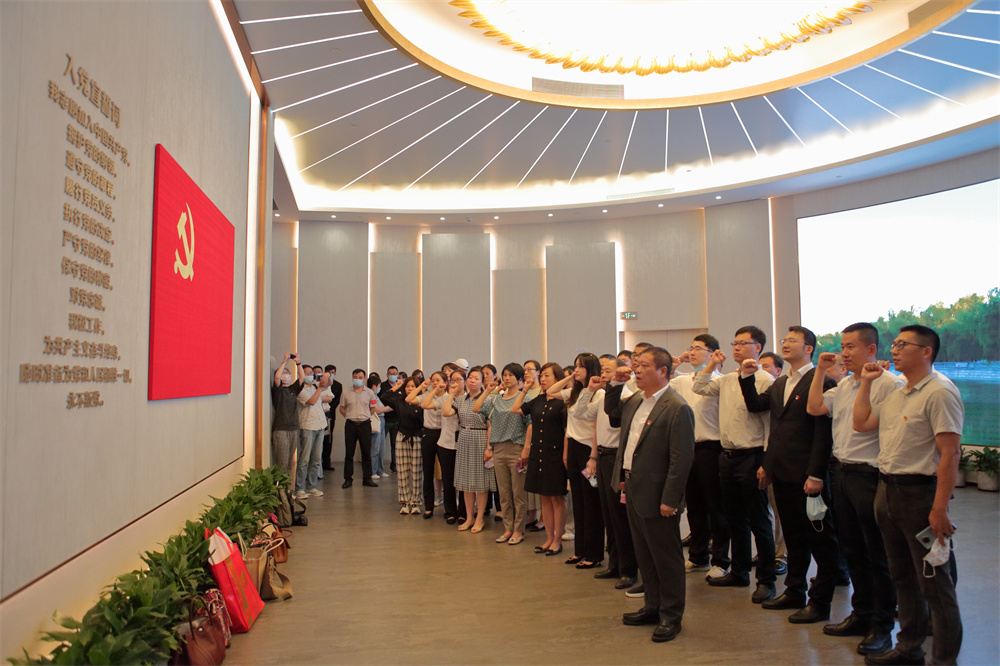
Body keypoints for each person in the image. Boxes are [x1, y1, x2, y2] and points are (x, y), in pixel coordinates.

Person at [853, 324, 964, 666]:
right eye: (895, 344)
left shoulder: (940, 392)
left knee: (935, 584)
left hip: (919, 495)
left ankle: (943, 660)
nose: (895, 349)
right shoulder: (898, 393)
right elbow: (861, 423)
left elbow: (950, 454)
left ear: (926, 351)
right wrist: (867, 382)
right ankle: (909, 648)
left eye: (903, 344)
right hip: (888, 491)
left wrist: (939, 508)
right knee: (902, 576)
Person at [806, 322, 902, 655]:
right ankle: (861, 615)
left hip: (870, 475)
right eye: (842, 346)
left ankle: (882, 626)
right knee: (853, 551)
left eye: (850, 347)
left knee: (878, 555)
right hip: (842, 473)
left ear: (871, 349)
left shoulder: (889, 384)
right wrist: (820, 371)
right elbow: (814, 407)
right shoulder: (845, 384)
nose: (843, 353)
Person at [738, 326, 839, 623]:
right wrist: (746, 377)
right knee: (794, 537)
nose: (785, 344)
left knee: (820, 540)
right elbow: (764, 414)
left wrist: (816, 473)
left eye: (793, 340)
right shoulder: (781, 382)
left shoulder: (822, 380)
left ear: (809, 348)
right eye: (784, 340)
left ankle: (820, 602)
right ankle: (795, 591)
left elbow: (823, 433)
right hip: (782, 472)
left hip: (808, 475)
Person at [605, 347, 694, 643]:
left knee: (666, 557)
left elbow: (681, 460)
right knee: (645, 554)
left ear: (663, 371)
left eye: (643, 365)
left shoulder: (676, 407)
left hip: (659, 494)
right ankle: (652, 606)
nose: (636, 370)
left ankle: (671, 615)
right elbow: (615, 418)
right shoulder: (635, 401)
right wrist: (615, 383)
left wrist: (670, 499)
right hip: (633, 487)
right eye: (636, 365)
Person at [692, 325, 777, 605]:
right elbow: (699, 386)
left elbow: (769, 425)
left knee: (759, 521)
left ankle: (766, 580)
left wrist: (766, 463)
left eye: (743, 343)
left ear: (758, 348)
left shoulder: (765, 379)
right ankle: (739, 572)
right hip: (727, 456)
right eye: (735, 343)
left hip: (752, 456)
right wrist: (712, 363)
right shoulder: (728, 379)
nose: (737, 347)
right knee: (735, 519)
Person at [670, 335, 731, 581]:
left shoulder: (721, 381)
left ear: (713, 353)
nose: (692, 352)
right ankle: (698, 556)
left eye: (698, 348)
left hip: (712, 448)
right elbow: (662, 387)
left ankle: (721, 560)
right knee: (694, 506)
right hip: (688, 448)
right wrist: (675, 363)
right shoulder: (682, 380)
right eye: (691, 348)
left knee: (716, 507)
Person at [578, 355, 638, 590]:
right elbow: (581, 414)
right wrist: (589, 390)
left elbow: (617, 425)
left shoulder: (627, 395)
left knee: (620, 517)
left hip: (617, 458)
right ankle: (614, 564)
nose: (603, 374)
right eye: (602, 370)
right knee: (609, 516)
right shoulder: (602, 395)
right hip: (602, 456)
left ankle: (628, 569)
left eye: (608, 370)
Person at [548, 353, 604, 569]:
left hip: (588, 449)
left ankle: (594, 554)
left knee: (591, 504)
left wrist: (593, 456)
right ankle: (580, 551)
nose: (577, 369)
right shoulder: (574, 391)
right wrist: (570, 377)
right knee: (578, 502)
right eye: (575, 366)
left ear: (592, 369)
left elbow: (591, 422)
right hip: (572, 447)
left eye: (581, 366)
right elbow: (550, 391)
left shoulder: (598, 393)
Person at [513, 363, 567, 556]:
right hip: (539, 453)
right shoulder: (538, 399)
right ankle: (549, 538)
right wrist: (524, 389)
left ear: (557, 378)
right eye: (541, 375)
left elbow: (567, 432)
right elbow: (516, 408)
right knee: (544, 498)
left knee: (557, 498)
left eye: (547, 376)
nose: (543, 379)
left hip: (556, 455)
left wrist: (565, 455)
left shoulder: (563, 401)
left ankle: (558, 539)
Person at [475, 363, 531, 545]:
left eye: (511, 375)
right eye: (505, 375)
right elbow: (476, 408)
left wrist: (526, 449)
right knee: (504, 492)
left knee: (518, 492)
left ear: (520, 379)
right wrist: (488, 390)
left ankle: (518, 530)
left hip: (517, 448)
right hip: (498, 449)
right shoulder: (496, 399)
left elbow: (530, 424)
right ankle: (508, 528)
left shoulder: (525, 398)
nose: (507, 378)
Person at [443, 366, 495, 533]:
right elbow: (446, 412)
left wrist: (489, 447)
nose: (472, 381)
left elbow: (490, 425)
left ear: (482, 382)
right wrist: (452, 393)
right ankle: (469, 517)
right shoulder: (461, 400)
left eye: (476, 378)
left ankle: (480, 518)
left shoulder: (488, 399)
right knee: (466, 483)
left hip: (480, 439)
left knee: (481, 483)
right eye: (470, 377)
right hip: (464, 439)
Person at [382, 376, 424, 515]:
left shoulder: (422, 400)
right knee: (402, 471)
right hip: (402, 436)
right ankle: (404, 502)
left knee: (416, 472)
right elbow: (384, 397)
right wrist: (396, 387)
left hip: (417, 437)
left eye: (413, 386)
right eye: (407, 386)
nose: (410, 389)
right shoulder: (399, 400)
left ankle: (416, 502)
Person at [409, 372, 448, 518]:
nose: (435, 383)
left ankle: (449, 509)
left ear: (445, 382)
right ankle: (428, 507)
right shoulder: (427, 395)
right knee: (428, 470)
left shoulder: (448, 397)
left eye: (438, 380)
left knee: (446, 472)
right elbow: (409, 399)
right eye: (433, 381)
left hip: (444, 433)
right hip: (428, 433)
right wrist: (422, 387)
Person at [338, 368, 380, 488]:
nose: (358, 379)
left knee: (366, 453)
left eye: (360, 377)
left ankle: (367, 478)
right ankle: (348, 479)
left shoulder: (369, 392)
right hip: (351, 425)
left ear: (364, 378)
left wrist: (365, 416)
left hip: (365, 424)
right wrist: (349, 416)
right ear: (352, 378)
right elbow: (342, 408)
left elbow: (373, 408)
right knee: (349, 453)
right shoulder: (346, 392)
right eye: (355, 377)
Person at [296, 367, 333, 499]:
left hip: (320, 425)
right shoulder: (300, 389)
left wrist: (327, 376)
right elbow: (311, 402)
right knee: (304, 459)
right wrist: (320, 388)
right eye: (306, 373)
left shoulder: (315, 386)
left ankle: (311, 486)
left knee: (316, 459)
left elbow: (329, 383)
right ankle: (299, 488)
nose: (309, 375)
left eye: (311, 373)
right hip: (307, 426)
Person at [271, 353, 303, 480]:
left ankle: (286, 487)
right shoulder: (278, 390)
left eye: (287, 373)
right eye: (283, 373)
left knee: (290, 461)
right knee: (282, 462)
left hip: (294, 427)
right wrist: (284, 361)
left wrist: (298, 363)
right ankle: (279, 487)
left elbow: (302, 378)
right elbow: (277, 378)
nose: (285, 375)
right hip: (281, 429)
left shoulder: (292, 389)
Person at [522, 359, 545, 532]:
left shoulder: (542, 391)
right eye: (525, 370)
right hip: (524, 437)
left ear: (538, 372)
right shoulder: (524, 391)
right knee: (528, 479)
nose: (527, 372)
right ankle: (531, 515)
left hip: (540, 438)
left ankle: (543, 518)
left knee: (540, 480)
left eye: (530, 369)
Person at [367, 374, 390, 481]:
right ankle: (373, 471)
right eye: (379, 386)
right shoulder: (370, 395)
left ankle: (380, 470)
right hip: (376, 421)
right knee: (375, 448)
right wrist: (391, 407)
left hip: (382, 421)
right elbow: (378, 410)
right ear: (374, 386)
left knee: (381, 448)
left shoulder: (376, 396)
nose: (379, 388)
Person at [322, 365, 343, 471]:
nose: (331, 374)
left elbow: (337, 400)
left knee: (329, 439)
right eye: (329, 372)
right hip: (319, 413)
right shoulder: (320, 383)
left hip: (330, 415)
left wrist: (330, 408)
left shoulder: (338, 385)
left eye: (333, 372)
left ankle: (327, 462)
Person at [381, 366, 401, 472]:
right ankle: (379, 467)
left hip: (397, 420)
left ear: (398, 374)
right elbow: (379, 400)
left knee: (395, 444)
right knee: (380, 444)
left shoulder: (401, 386)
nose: (392, 375)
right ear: (387, 375)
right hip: (384, 419)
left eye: (394, 373)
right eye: (390, 373)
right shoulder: (382, 386)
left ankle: (394, 465)